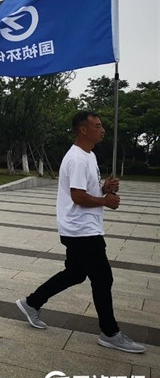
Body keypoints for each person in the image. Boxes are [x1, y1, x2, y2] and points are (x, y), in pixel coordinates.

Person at [16, 111, 145, 354]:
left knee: (75, 274)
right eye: (97, 126)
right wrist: (105, 201)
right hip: (81, 229)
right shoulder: (77, 158)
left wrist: (104, 187)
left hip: (82, 227)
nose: (102, 130)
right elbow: (77, 196)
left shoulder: (89, 155)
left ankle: (31, 303)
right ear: (83, 129)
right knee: (103, 278)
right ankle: (110, 333)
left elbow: (86, 189)